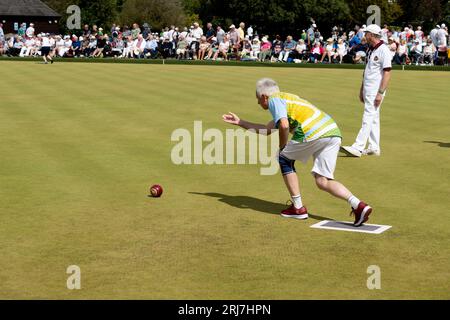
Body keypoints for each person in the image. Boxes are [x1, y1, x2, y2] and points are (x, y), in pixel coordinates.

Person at [222, 78, 373, 226]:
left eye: (258, 99)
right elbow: (266, 130)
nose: (258, 102)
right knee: (323, 181)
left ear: (264, 96)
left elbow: (284, 125)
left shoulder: (274, 99)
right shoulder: (287, 100)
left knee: (283, 158)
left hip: (312, 132)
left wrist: (282, 146)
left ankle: (298, 208)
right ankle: (358, 205)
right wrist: (240, 122)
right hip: (332, 132)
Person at [342, 24, 392, 158]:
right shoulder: (370, 49)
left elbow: (387, 72)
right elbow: (367, 71)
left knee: (368, 116)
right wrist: (361, 89)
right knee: (374, 117)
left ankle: (358, 147)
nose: (364, 36)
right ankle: (374, 147)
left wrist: (380, 93)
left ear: (372, 35)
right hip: (368, 88)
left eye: (366, 33)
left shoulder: (383, 50)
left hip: (376, 90)